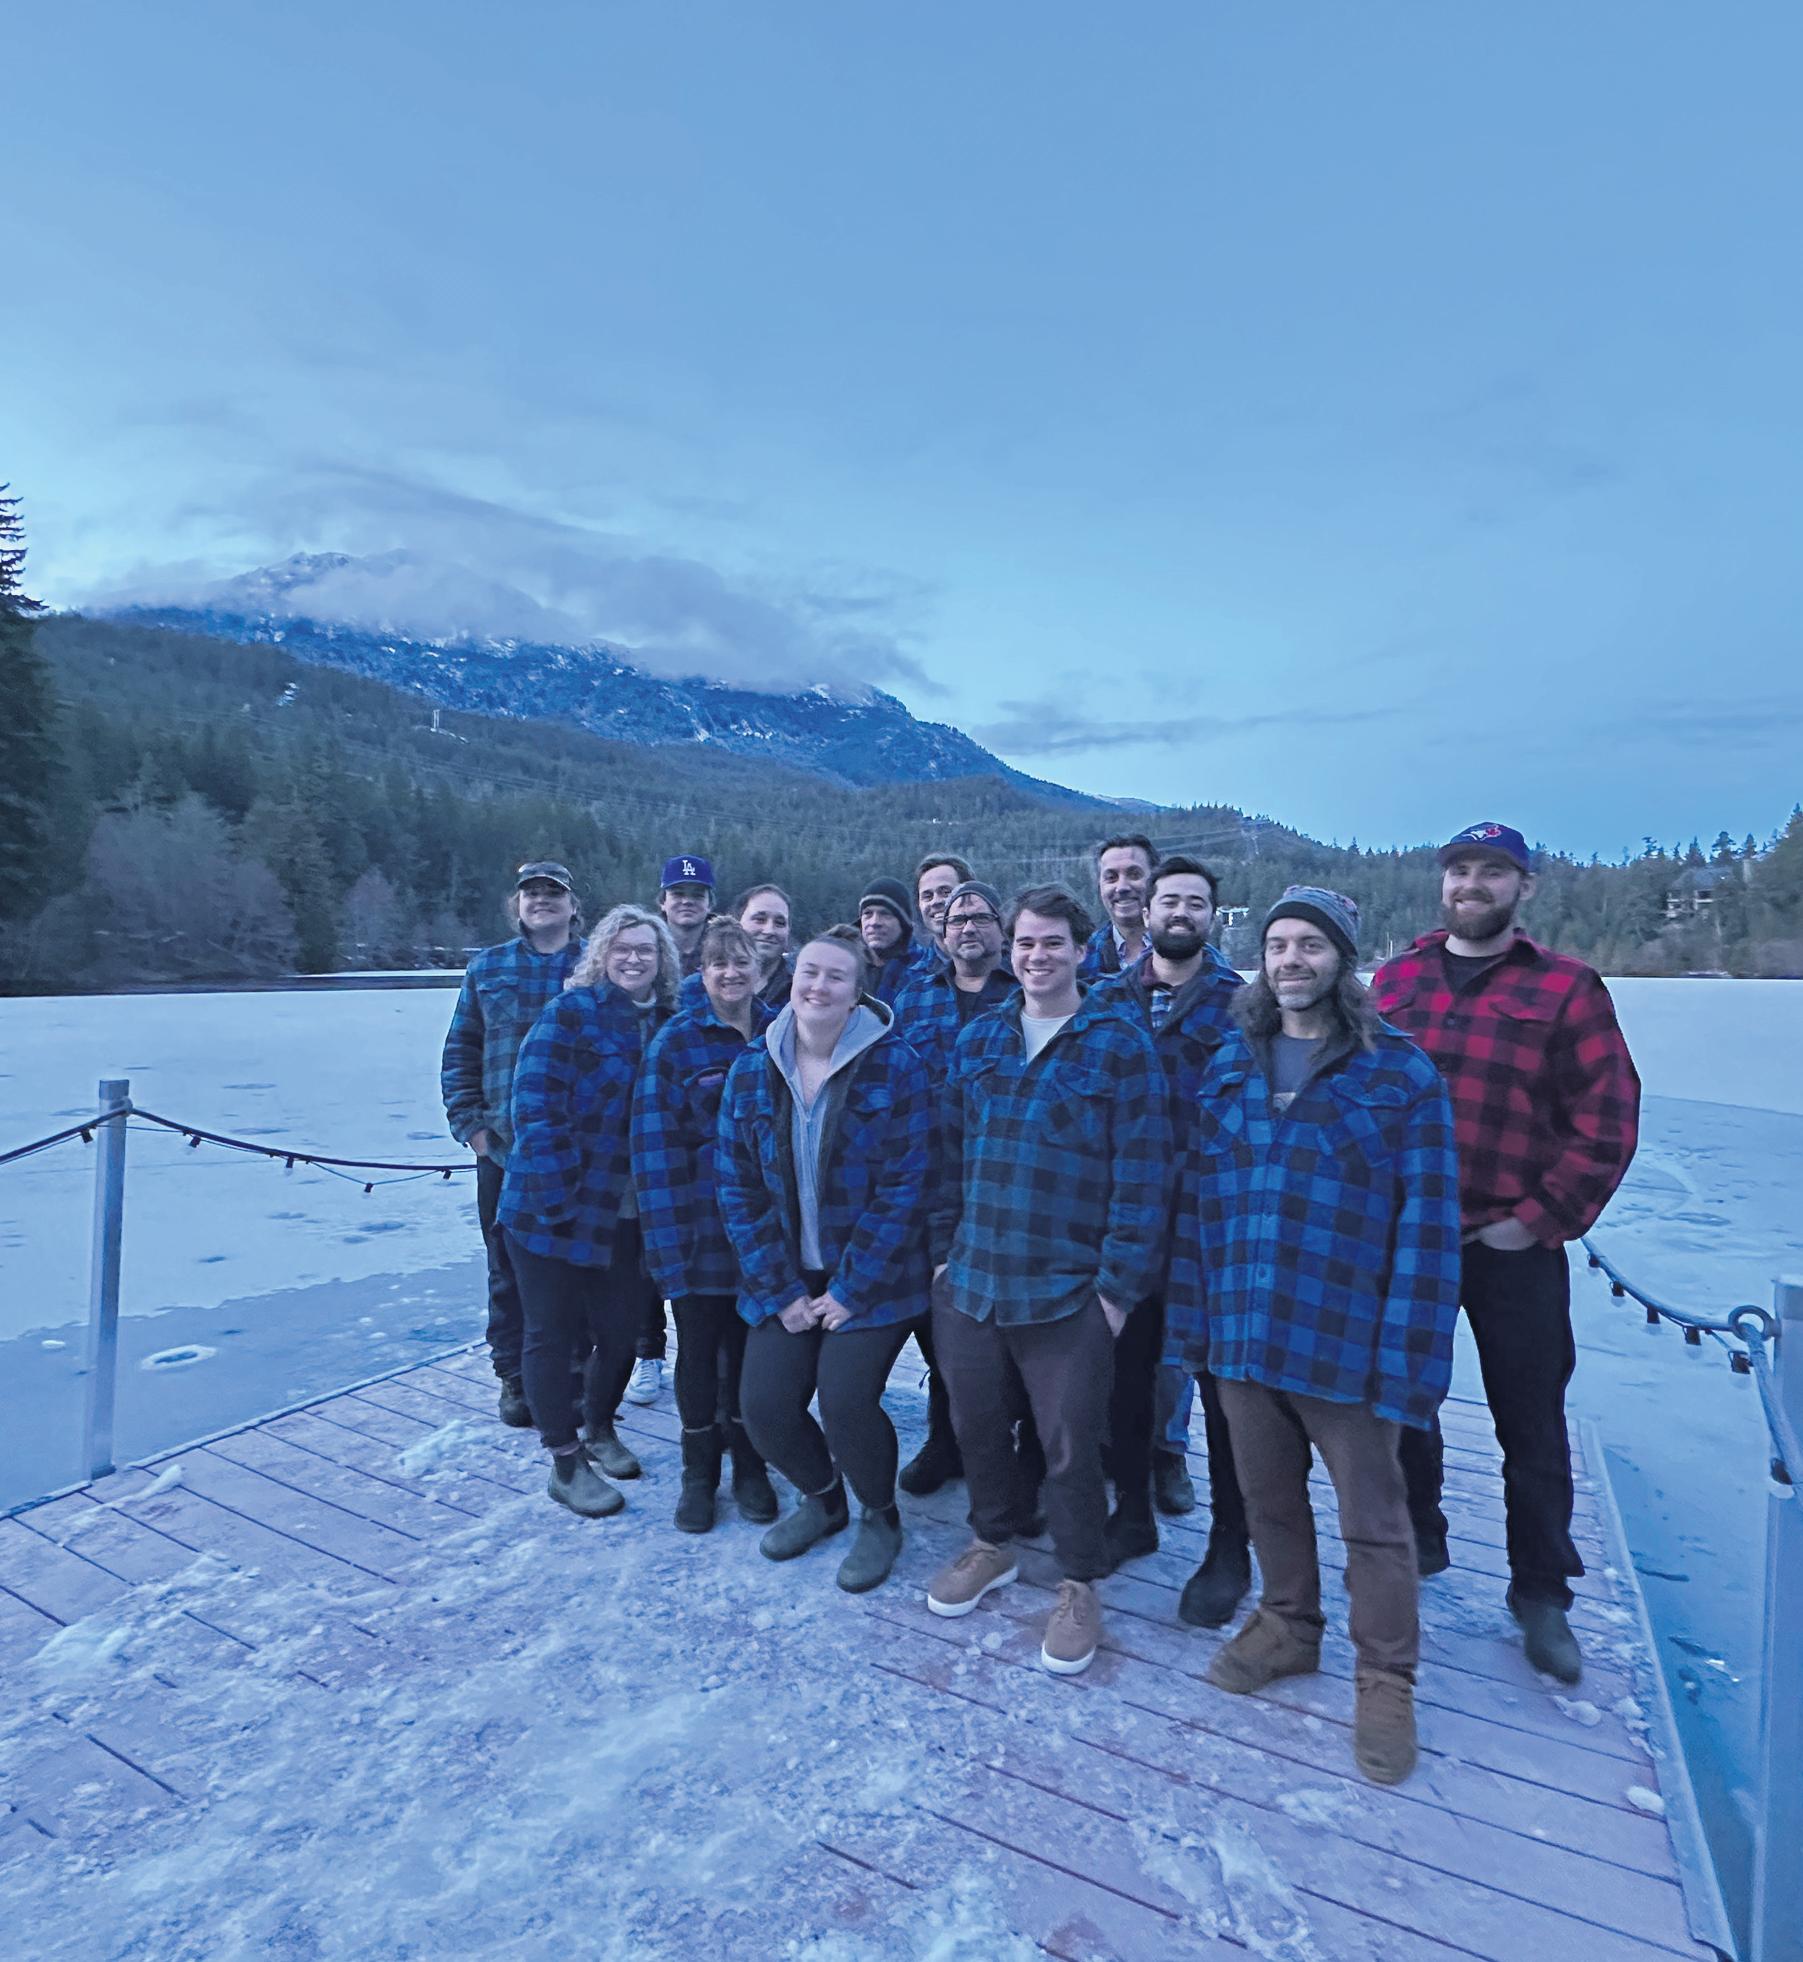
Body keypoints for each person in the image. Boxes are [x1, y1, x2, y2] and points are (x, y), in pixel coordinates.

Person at [1170, 886, 1460, 1786]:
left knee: (1374, 1522)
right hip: (1243, 1330)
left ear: (1343, 959)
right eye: (1278, 946)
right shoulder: (1231, 1062)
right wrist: (1193, 1325)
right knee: (1267, 1499)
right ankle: (1288, 1624)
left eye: (1310, 945)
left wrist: (1409, 1364)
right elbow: (1199, 1205)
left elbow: (1428, 1231)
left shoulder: (1398, 1074)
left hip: (1345, 1338)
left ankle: (1386, 1677)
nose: (1291, 960)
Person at [1372, 823, 1641, 1684]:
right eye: (1459, 870)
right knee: (1401, 1402)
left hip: (1512, 1243)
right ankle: (1419, 1536)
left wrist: (1538, 1219)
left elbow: (1606, 1122)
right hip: (1410, 1240)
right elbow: (1359, 1099)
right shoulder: (1396, 981)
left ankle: (1540, 1592)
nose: (1472, 885)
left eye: (1492, 872)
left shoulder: (1566, 989)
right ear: (1441, 883)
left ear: (1522, 887)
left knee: (1528, 1423)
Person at [926, 885, 1171, 1676]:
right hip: (974, 1280)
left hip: (1068, 1292)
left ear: (1079, 950)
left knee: (1070, 1448)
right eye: (1025, 942)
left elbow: (1143, 1175)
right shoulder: (981, 1037)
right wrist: (942, 1256)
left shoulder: (1118, 1043)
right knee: (976, 1426)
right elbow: (945, 1155)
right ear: (1010, 947)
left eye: (1052, 943)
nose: (1037, 956)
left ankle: (1078, 1581)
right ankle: (991, 1543)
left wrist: (1115, 1292)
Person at [716, 928, 933, 1593]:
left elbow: (906, 1187)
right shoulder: (752, 1068)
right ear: (791, 977)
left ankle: (879, 1515)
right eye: (809, 971)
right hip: (786, 1276)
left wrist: (851, 1290)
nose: (818, 986)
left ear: (857, 992)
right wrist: (779, 1290)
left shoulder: (896, 1066)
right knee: (764, 1406)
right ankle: (823, 1497)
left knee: (845, 1400)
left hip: (873, 1278)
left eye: (836, 976)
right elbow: (736, 1186)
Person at [1093, 855, 1253, 1627]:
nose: (1179, 912)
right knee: (1124, 1380)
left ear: (1210, 916)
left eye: (1194, 902)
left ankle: (1230, 1546)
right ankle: (1130, 1512)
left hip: (1212, 1228)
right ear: (1146, 912)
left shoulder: (1244, 1005)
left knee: (1225, 1395)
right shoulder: (1106, 1000)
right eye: (1168, 900)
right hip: (1128, 1221)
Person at [499, 904, 680, 1517]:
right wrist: (560, 1198)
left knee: (621, 1331)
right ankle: (565, 1461)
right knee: (550, 1334)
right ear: (602, 954)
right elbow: (534, 1104)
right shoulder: (570, 1014)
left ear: (662, 960)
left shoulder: (670, 1022)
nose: (634, 959)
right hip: (549, 1209)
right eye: (622, 948)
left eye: (646, 949)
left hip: (627, 1215)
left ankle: (600, 1427)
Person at [632, 915, 781, 1533]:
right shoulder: (676, 1042)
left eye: (742, 961)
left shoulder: (781, 1033)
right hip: (699, 1234)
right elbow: (653, 1151)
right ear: (702, 971)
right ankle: (699, 1473)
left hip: (766, 1237)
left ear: (760, 970)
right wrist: (668, 1250)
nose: (731, 973)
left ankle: (750, 1464)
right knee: (697, 1353)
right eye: (719, 963)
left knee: (750, 1353)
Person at [440, 861, 583, 1427]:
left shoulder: (595, 966)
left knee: (577, 1266)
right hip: (504, 1149)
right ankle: (514, 1378)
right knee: (506, 1271)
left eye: (554, 892)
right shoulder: (488, 967)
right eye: (532, 893)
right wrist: (472, 1127)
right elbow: (460, 1050)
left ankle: (576, 1372)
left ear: (573, 906)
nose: (542, 900)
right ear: (517, 905)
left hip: (578, 1150)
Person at [890, 878, 1018, 1498]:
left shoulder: (1024, 992)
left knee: (1012, 1329)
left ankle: (1015, 1451)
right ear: (939, 935)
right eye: (955, 919)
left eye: (980, 917)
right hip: (930, 1181)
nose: (967, 927)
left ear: (1002, 930)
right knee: (945, 1323)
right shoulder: (913, 997)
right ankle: (945, 1439)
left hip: (1005, 1183)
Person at [628, 870, 714, 1407]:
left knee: (696, 1251)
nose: (687, 902)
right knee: (647, 1245)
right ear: (663, 900)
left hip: (694, 1117)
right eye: (678, 894)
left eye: (696, 895)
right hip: (640, 1114)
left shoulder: (721, 949)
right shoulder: (646, 951)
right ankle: (648, 1352)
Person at [677, 882, 796, 1014]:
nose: (769, 930)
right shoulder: (693, 989)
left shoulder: (800, 989)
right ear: (737, 923)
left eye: (780, 923)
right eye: (759, 919)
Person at [1078, 834, 1156, 979]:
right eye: (1111, 878)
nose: (1122, 887)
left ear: (1156, 881)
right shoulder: (1081, 960)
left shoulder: (1188, 953)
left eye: (1134, 875)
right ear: (1099, 886)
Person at [857, 875, 929, 1005]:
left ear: (903, 923)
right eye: (867, 913)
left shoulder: (925, 970)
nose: (874, 922)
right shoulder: (844, 968)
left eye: (885, 914)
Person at [913, 853, 973, 961]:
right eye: (927, 896)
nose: (935, 901)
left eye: (946, 892)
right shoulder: (913, 969)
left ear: (971, 895)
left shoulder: (1000, 963)